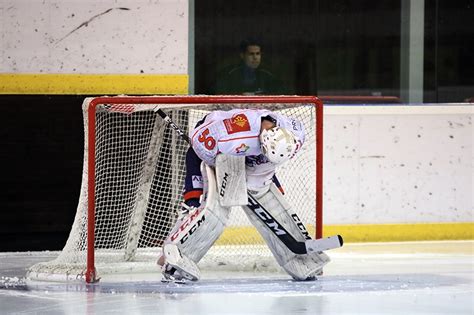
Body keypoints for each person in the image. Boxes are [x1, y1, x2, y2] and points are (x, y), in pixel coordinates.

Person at [157, 109, 330, 282]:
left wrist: (257, 178)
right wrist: (221, 170)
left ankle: (301, 260)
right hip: (216, 152)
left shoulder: (295, 133)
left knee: (267, 200)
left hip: (251, 158)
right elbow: (198, 145)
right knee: (212, 210)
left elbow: (267, 166)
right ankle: (174, 258)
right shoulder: (230, 136)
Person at [214, 39, 287, 95]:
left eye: (257, 54)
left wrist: (257, 96)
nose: (255, 57)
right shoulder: (230, 74)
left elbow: (282, 93)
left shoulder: (268, 75)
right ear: (242, 55)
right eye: (251, 54)